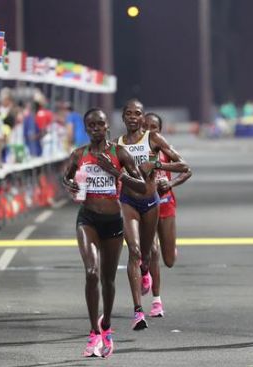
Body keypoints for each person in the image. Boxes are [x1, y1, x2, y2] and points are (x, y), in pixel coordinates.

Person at [62, 108, 146, 358]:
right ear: (86, 129)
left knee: (108, 280)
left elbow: (142, 185)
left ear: (107, 126)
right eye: (91, 125)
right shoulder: (79, 154)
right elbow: (66, 180)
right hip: (87, 219)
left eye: (100, 124)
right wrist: (71, 185)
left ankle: (106, 325)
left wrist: (116, 173)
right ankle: (92, 333)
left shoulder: (119, 153)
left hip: (113, 222)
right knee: (91, 272)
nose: (96, 128)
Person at [116, 99, 190, 330]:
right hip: (128, 202)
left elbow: (184, 166)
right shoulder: (116, 144)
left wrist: (158, 165)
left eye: (136, 113)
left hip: (152, 202)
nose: (132, 117)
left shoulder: (153, 139)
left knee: (152, 255)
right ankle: (138, 311)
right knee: (134, 252)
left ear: (142, 117)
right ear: (123, 117)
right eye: (128, 113)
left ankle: (146, 269)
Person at [144, 113, 192, 317]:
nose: (149, 130)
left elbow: (187, 170)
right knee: (151, 251)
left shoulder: (164, 149)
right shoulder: (134, 150)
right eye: (146, 126)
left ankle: (170, 248)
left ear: (160, 131)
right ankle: (157, 301)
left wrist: (169, 183)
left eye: (153, 127)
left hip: (165, 204)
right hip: (144, 206)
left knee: (169, 260)